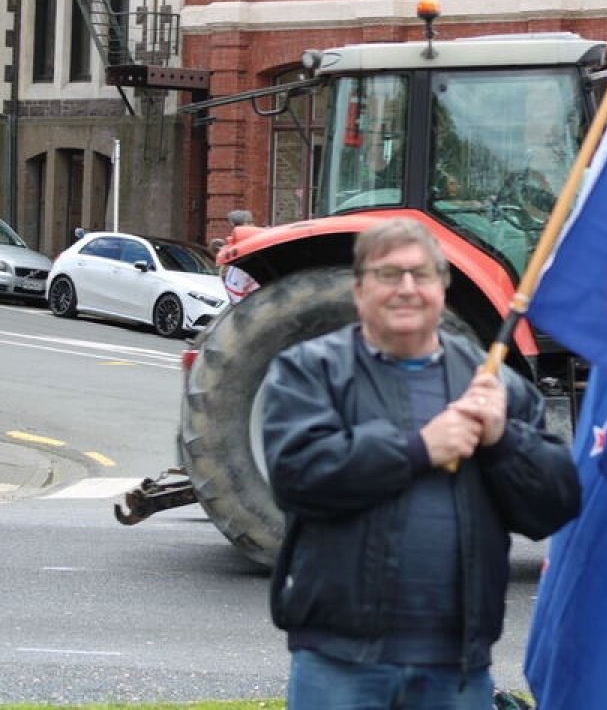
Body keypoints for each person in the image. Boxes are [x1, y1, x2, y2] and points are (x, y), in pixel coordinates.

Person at [260, 217, 581, 710]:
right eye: (389, 274)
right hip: (339, 662)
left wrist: (502, 441)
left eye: (422, 274)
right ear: (360, 288)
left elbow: (554, 505)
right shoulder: (309, 371)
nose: (406, 288)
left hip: (456, 668)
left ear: (442, 286)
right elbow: (298, 475)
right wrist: (418, 449)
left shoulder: (494, 386)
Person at [222, 209, 260, 303]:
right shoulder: (241, 258)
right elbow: (234, 293)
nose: (254, 226)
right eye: (250, 222)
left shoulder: (250, 250)